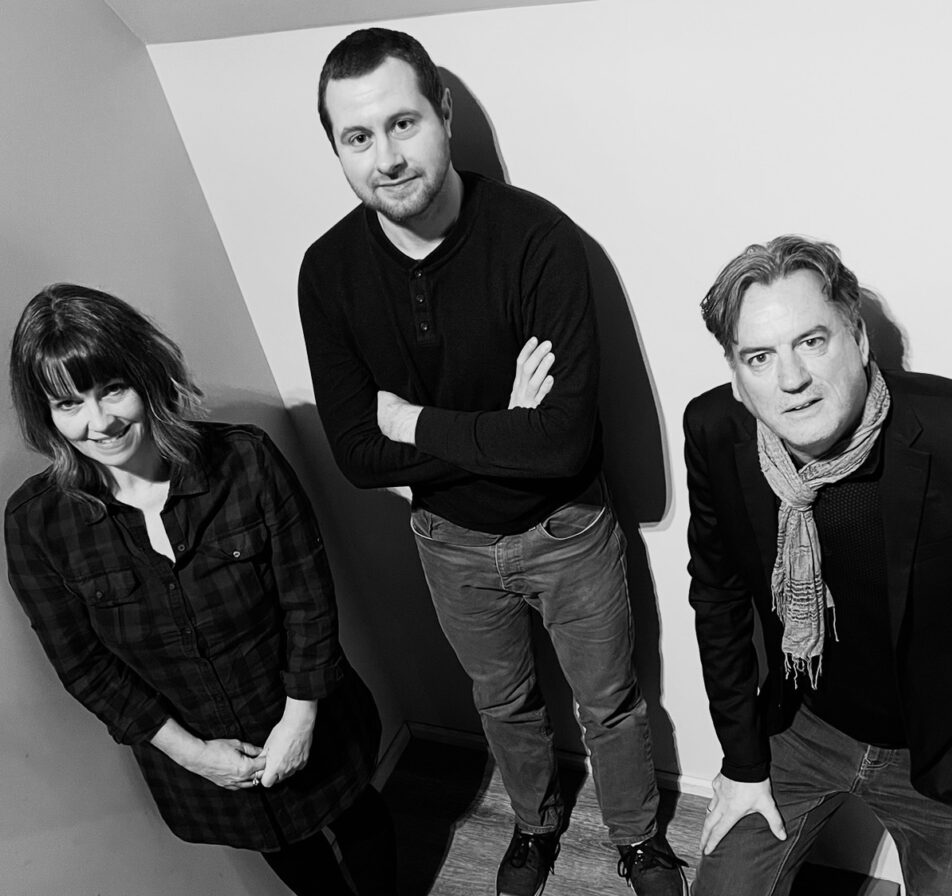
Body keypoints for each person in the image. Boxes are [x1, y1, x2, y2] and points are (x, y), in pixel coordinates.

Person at [298, 26, 687, 896]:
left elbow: (562, 443)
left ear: (442, 114)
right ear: (337, 149)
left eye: (402, 124)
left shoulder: (537, 239)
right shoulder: (327, 272)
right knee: (501, 704)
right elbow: (358, 455)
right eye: (357, 137)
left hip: (568, 528)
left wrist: (415, 421)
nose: (386, 157)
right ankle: (535, 826)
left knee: (610, 703)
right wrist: (501, 427)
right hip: (449, 542)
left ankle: (638, 841)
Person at [5, 284, 397, 896]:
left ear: (146, 375)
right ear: (45, 413)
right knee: (285, 848)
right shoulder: (36, 524)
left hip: (306, 711)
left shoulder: (245, 461)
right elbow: (83, 666)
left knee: (356, 814)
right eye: (68, 403)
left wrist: (300, 719)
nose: (99, 422)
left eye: (113, 389)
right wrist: (193, 754)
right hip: (197, 749)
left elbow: (308, 598)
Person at [684, 235, 952, 895]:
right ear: (737, 375)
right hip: (803, 725)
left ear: (859, 339)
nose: (791, 380)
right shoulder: (716, 432)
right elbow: (717, 595)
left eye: (812, 341)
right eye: (760, 357)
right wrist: (742, 761)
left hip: (949, 748)